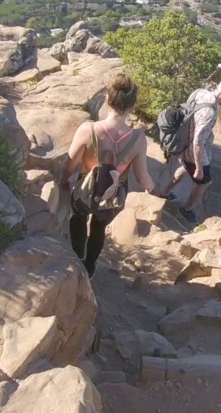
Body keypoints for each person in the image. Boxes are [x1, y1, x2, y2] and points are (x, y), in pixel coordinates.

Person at [60, 73, 157, 276]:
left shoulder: (89, 130)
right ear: (132, 106)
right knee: (99, 227)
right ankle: (90, 267)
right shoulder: (138, 139)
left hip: (84, 190)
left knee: (78, 217)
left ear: (107, 99)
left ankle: (77, 260)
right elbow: (142, 177)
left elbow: (69, 164)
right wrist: (154, 189)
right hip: (112, 196)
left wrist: (63, 181)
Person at [163, 78, 221, 224]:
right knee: (204, 182)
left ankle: (165, 192)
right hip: (191, 149)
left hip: (182, 140)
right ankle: (186, 209)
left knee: (185, 167)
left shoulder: (200, 92)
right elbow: (198, 142)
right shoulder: (209, 112)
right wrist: (199, 168)